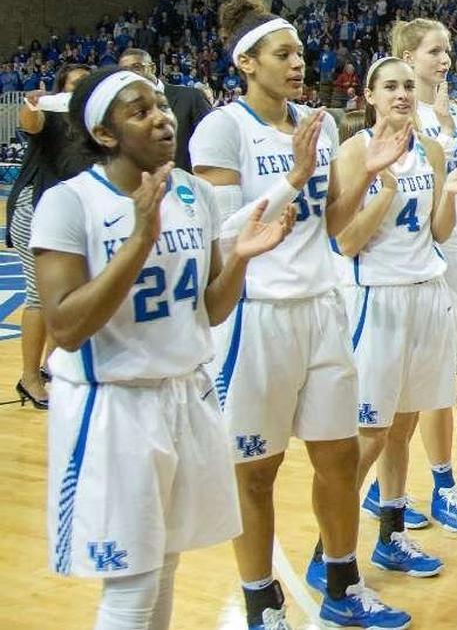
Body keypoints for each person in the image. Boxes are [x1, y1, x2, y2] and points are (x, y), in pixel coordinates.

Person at [34, 67, 292, 630]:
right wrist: (139, 240)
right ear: (105, 135)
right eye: (140, 110)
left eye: (161, 105)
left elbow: (212, 309)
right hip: (111, 407)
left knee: (165, 565)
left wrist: (243, 257)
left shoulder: (195, 193)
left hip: (183, 394)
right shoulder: (69, 203)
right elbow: (66, 326)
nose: (162, 117)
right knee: (132, 583)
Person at [188, 0, 410, 630]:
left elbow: (332, 225)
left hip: (320, 308)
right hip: (254, 315)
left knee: (338, 459)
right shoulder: (222, 129)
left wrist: (365, 173)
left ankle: (344, 582)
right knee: (256, 472)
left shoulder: (318, 123)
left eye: (301, 54)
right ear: (246, 63)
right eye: (282, 54)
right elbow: (222, 232)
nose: (297, 64)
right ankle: (262, 603)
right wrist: (295, 175)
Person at [314, 56, 457, 583]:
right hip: (376, 299)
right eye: (390, 86)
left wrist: (452, 195)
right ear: (369, 96)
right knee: (370, 432)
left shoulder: (430, 150)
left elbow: (437, 232)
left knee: (403, 427)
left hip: (426, 294)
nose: (402, 94)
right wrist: (383, 189)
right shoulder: (353, 153)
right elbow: (344, 242)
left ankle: (391, 535)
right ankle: (328, 552)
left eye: (408, 86)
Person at [7, 62, 90, 409]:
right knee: (41, 296)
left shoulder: (95, 125)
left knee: (67, 297)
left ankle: (51, 367)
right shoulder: (53, 114)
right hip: (34, 208)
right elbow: (31, 123)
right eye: (73, 84)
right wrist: (31, 104)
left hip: (66, 216)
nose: (79, 90)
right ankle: (29, 378)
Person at [117, 48, 212, 172]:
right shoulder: (123, 111)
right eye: (124, 71)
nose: (130, 74)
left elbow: (212, 146)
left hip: (187, 185)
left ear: (152, 68)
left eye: (136, 67)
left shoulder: (191, 97)